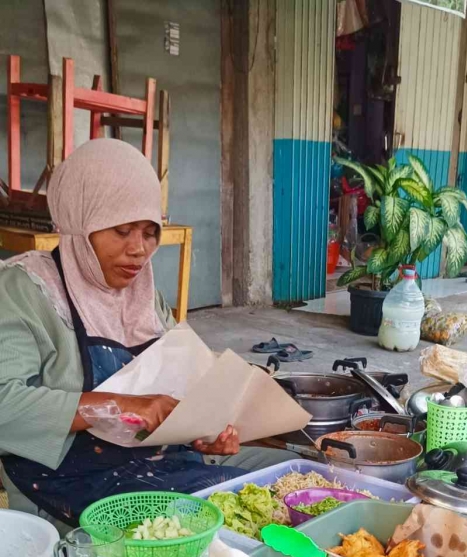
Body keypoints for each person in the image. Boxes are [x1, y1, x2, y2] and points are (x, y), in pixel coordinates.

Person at [0, 139, 286, 528]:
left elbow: (180, 389)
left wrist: (203, 432)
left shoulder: (141, 293)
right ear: (81, 223)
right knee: (244, 526)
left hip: (159, 464)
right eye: (121, 230)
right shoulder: (24, 289)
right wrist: (118, 405)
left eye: (150, 232)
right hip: (70, 483)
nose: (139, 249)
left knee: (293, 483)